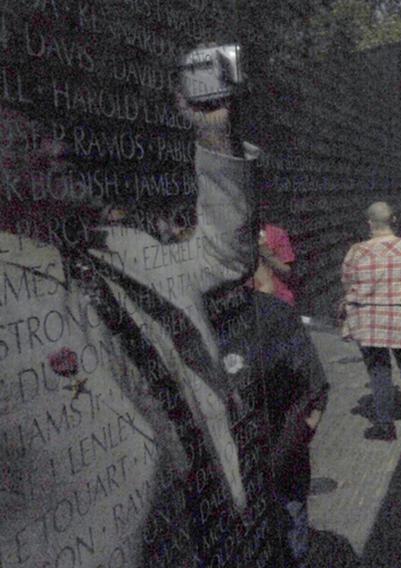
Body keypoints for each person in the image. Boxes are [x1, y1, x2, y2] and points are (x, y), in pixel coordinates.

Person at [0, 93, 264, 566]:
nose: (56, 147)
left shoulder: (127, 249)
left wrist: (214, 137)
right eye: (25, 142)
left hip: (217, 528)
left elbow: (225, 257)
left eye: (48, 134)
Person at [218, 237, 329, 564]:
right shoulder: (193, 324)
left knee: (291, 533)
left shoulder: (273, 316)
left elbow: (315, 387)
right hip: (230, 473)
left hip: (281, 457)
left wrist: (294, 441)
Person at [341, 201, 401, 448]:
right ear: (394, 221)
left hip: (368, 322)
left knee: (378, 372)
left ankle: (384, 425)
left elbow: (348, 284)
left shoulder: (356, 252)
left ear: (369, 223)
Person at [252, 223, 297, 307]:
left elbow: (286, 272)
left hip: (278, 299)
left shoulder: (276, 233)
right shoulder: (231, 236)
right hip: (248, 302)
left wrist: (264, 250)